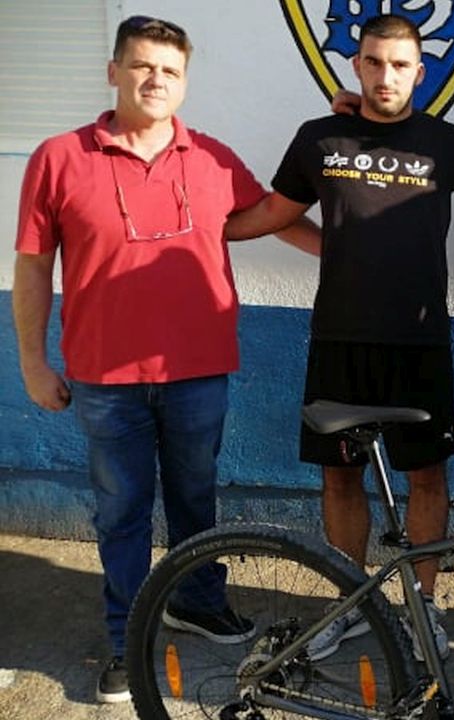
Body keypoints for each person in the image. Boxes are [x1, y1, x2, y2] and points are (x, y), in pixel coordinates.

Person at [12, 16, 318, 704]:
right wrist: (32, 362)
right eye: (143, 65)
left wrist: (349, 254)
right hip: (104, 378)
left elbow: (270, 215)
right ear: (114, 71)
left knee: (195, 499)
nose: (156, 79)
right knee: (121, 511)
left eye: (170, 70)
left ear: (185, 82)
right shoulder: (59, 157)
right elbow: (32, 265)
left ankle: (198, 602)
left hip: (198, 369)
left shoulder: (210, 157)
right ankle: (127, 639)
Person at [224, 13, 454, 661]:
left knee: (427, 479)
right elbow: (273, 212)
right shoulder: (319, 138)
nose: (386, 76)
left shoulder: (447, 143)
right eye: (374, 62)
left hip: (418, 341)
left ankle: (423, 608)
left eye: (400, 65)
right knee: (340, 480)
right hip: (340, 340)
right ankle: (350, 604)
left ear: (420, 71)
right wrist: (197, 226)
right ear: (357, 66)